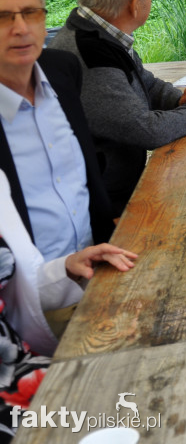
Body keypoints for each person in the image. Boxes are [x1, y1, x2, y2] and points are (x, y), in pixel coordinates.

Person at [50, 0, 186, 215]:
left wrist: (178, 98)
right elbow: (144, 130)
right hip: (107, 203)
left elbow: (143, 81)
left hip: (118, 186)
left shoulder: (99, 31)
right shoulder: (92, 54)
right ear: (136, 4)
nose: (150, 0)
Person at [0, 169, 136, 442]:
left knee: (135, 386)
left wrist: (68, 267)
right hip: (13, 400)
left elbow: (14, 288)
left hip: (21, 368)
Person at [0, 0, 115, 262]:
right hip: (26, 298)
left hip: (99, 265)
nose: (21, 28)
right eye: (3, 17)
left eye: (30, 13)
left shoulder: (62, 71)